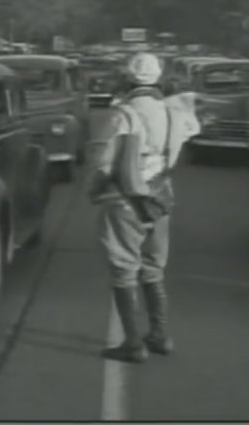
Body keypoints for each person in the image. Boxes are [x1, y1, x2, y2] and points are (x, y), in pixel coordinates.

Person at [87, 52, 201, 364]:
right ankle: (160, 335)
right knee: (154, 267)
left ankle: (133, 344)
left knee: (124, 268)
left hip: (124, 199)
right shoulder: (172, 112)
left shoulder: (122, 114)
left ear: (127, 78)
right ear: (159, 77)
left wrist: (94, 190)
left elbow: (103, 163)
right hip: (160, 197)